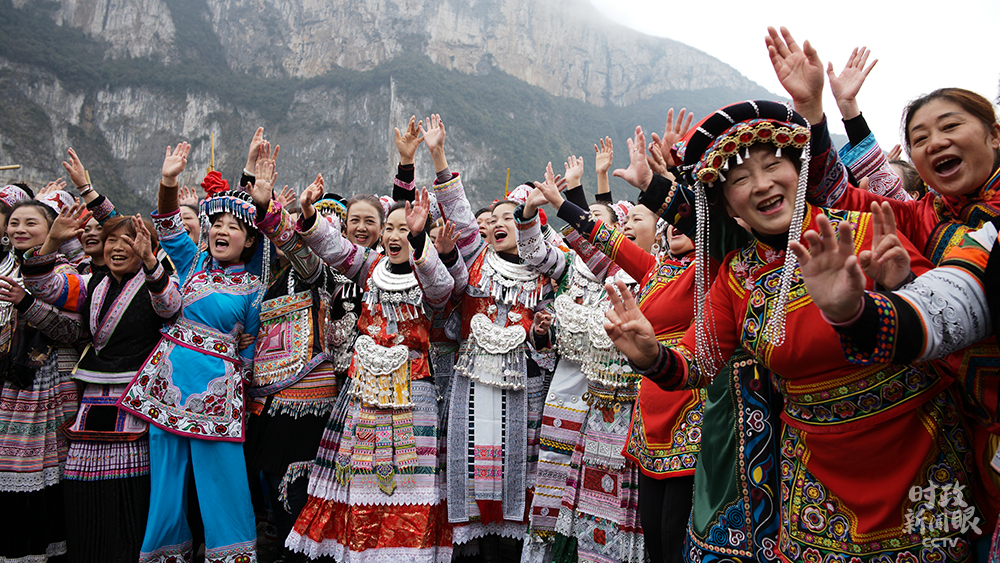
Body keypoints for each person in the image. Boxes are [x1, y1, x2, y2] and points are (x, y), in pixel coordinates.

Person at [603, 95, 979, 563]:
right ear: (727, 203)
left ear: (798, 170)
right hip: (815, 482)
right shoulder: (736, 276)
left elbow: (951, 329)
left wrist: (899, 284)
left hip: (917, 456)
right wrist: (650, 356)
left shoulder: (863, 233)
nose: (761, 185)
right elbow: (698, 366)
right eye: (741, 178)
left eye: (772, 165)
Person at [286, 183, 458, 561]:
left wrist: (418, 241)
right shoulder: (370, 267)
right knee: (361, 476)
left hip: (414, 394)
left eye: (406, 228)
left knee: (410, 480)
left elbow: (442, 289)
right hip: (363, 393)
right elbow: (333, 247)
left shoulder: (428, 274)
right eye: (391, 228)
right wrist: (309, 215)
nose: (396, 235)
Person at [118, 142, 264, 563]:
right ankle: (165, 555)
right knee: (165, 481)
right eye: (214, 222)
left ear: (249, 238)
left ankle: (230, 554)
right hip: (168, 382)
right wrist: (169, 181)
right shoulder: (193, 262)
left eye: (231, 226)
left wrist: (247, 398)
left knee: (224, 482)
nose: (220, 230)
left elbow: (250, 349)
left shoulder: (254, 287)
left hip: (217, 391)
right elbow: (165, 222)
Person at [516, 157, 648, 563]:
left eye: (604, 220)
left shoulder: (628, 274)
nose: (596, 226)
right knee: (557, 477)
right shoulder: (572, 267)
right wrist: (529, 211)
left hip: (612, 397)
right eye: (587, 219)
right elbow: (534, 249)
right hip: (566, 387)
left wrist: (579, 191)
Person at [39, 214, 181, 562]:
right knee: (83, 487)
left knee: (131, 489)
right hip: (91, 400)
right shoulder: (91, 283)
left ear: (145, 245)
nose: (118, 247)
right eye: (111, 240)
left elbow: (170, 308)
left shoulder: (159, 280)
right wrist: (51, 243)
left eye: (128, 240)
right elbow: (44, 288)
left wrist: (150, 262)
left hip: (135, 399)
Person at [0, 195, 87, 562]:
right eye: (15, 222)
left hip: (49, 384)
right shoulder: (4, 267)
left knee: (48, 471)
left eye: (30, 223)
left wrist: (26, 304)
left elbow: (74, 330)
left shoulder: (67, 274)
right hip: (8, 385)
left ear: (52, 229)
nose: (20, 229)